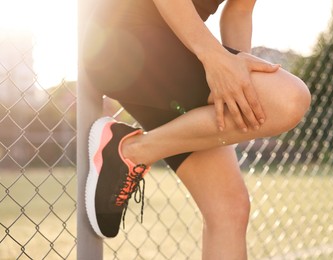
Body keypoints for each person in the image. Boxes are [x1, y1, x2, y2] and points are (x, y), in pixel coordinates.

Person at [81, 0, 311, 259]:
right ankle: (132, 152)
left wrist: (235, 93)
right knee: (289, 99)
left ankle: (127, 152)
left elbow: (240, 10)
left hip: (174, 52)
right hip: (122, 40)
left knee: (228, 208)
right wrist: (215, 59)